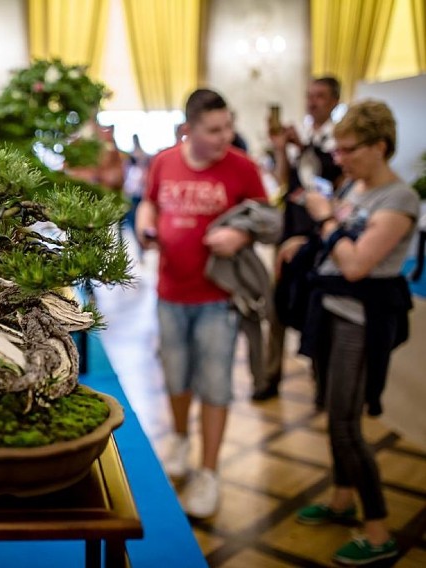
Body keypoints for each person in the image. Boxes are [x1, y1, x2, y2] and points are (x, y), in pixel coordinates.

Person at [288, 100, 419, 566]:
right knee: (332, 412)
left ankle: (379, 530)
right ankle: (343, 499)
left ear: (379, 146)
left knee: (347, 424)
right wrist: (306, 241)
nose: (338, 158)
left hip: (360, 322)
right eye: (337, 150)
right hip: (331, 312)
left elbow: (359, 264)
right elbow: (338, 241)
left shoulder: (400, 199)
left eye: (348, 150)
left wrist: (323, 218)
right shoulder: (357, 186)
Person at [135, 89, 268, 518]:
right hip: (169, 292)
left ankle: (209, 472)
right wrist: (146, 227)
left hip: (218, 298)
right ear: (189, 128)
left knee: (214, 384)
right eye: (214, 129)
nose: (225, 136)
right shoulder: (164, 162)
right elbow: (149, 204)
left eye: (228, 125)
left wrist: (240, 236)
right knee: (176, 375)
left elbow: (267, 219)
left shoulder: (242, 168)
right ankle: (178, 437)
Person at [254, 76, 345, 401]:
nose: (312, 102)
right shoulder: (302, 135)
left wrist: (302, 147)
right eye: (309, 95)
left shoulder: (340, 139)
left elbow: (331, 182)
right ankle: (270, 376)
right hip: (291, 231)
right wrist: (282, 150)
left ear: (334, 100)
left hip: (321, 237)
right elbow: (284, 182)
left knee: (317, 305)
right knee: (277, 304)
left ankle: (322, 379)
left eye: (320, 96)